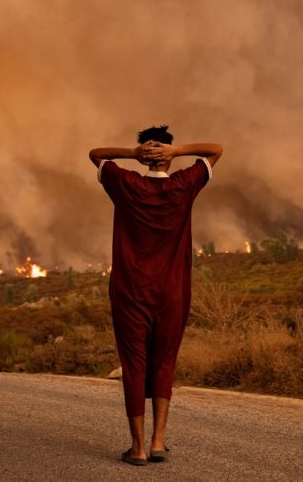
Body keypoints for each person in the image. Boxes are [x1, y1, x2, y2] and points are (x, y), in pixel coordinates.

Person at [89, 125, 222, 466]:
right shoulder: (184, 185)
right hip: (172, 292)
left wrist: (132, 155)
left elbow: (95, 155)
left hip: (131, 291)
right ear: (167, 153)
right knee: (164, 361)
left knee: (134, 365)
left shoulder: (126, 183)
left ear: (146, 155)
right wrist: (178, 152)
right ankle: (159, 442)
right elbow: (216, 150)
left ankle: (138, 449)